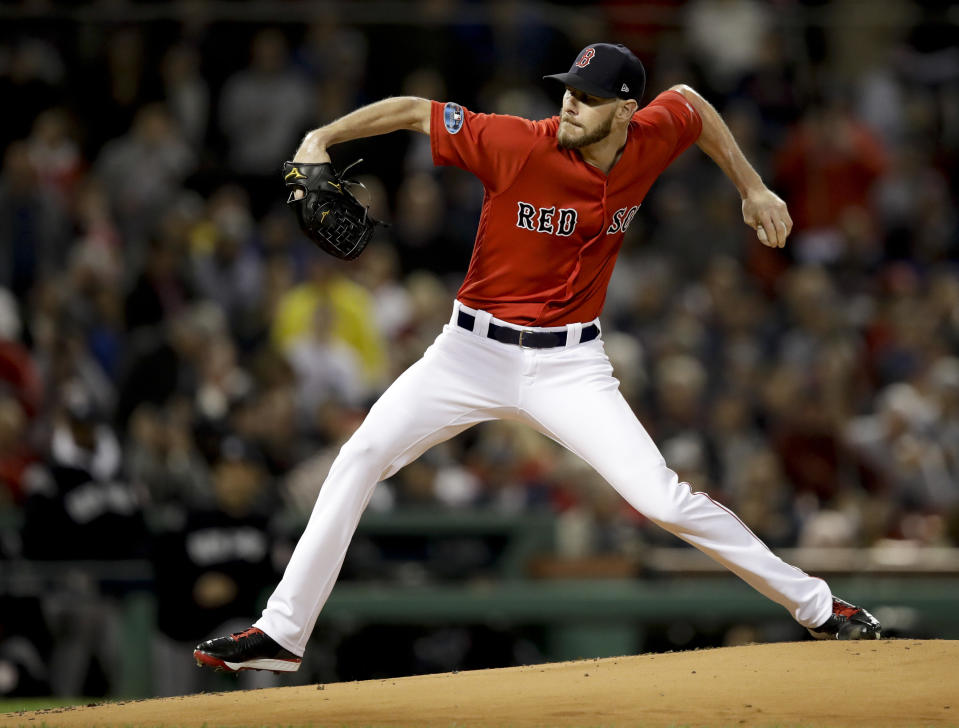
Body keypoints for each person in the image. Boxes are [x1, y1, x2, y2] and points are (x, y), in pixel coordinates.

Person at [195, 43, 881, 674]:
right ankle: (283, 633)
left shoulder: (650, 136)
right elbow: (411, 110)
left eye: (585, 95)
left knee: (662, 499)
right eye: (566, 90)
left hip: (570, 366)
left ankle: (819, 609)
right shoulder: (515, 142)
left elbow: (692, 104)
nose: (567, 103)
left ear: (624, 110)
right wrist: (320, 138)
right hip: (467, 353)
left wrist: (750, 186)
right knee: (360, 457)